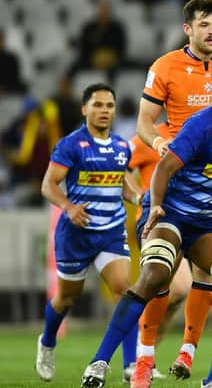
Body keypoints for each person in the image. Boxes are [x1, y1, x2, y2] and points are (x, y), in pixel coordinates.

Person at [81, 61, 212, 388]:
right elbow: (163, 169)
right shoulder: (201, 124)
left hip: (208, 222)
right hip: (169, 213)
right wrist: (155, 207)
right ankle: (100, 362)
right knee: (157, 276)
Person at [132, 0, 212, 385]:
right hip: (179, 184)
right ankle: (144, 357)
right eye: (204, 24)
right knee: (165, 278)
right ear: (188, 29)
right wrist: (159, 143)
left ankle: (187, 352)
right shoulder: (165, 66)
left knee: (206, 273)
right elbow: (144, 123)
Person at [35, 83, 139, 383]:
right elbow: (48, 185)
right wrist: (68, 207)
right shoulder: (71, 145)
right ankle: (47, 341)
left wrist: (139, 199)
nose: (104, 110)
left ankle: (130, 366)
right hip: (76, 234)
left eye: (109, 105)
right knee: (66, 300)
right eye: (98, 105)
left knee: (126, 292)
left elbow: (122, 186)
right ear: (85, 109)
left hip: (111, 232)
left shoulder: (122, 146)